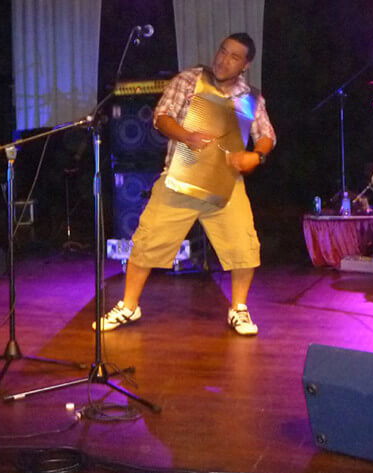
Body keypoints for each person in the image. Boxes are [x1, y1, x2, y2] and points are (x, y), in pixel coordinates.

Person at [96, 33, 276, 336]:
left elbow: (267, 135)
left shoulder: (250, 97)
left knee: (244, 246)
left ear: (245, 65)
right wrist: (186, 135)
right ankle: (129, 306)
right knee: (146, 241)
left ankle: (239, 309)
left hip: (226, 183)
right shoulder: (191, 80)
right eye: (223, 51)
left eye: (234, 57)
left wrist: (256, 156)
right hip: (181, 177)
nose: (224, 60)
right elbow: (161, 116)